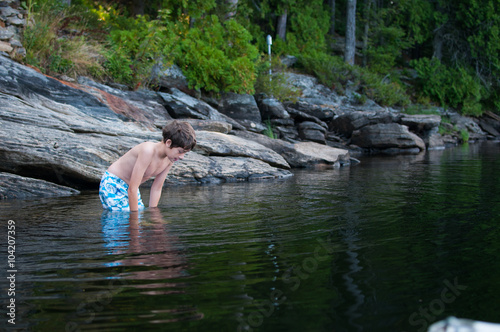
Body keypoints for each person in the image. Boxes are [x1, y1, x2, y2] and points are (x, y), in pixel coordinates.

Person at [99, 120, 196, 212]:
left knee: (140, 214)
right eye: (180, 152)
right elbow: (132, 188)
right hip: (113, 182)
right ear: (168, 143)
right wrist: (134, 221)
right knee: (126, 216)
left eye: (185, 153)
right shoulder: (148, 151)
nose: (182, 157)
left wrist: (154, 215)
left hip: (131, 188)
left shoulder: (169, 159)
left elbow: (156, 188)